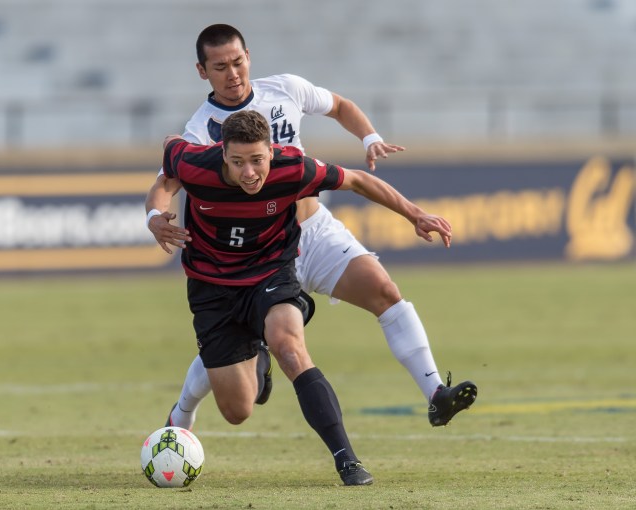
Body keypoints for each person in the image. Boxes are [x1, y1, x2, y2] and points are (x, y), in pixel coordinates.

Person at [146, 24, 477, 432]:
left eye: (237, 62)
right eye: (220, 67)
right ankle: (184, 411)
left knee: (385, 292)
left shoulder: (285, 89)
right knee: (228, 351)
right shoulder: (202, 129)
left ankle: (435, 394)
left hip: (313, 232)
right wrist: (156, 218)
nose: (232, 74)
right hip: (255, 254)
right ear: (203, 71)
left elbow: (339, 106)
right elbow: (167, 181)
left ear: (248, 56)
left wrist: (370, 137)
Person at [155, 110, 453, 485]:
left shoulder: (294, 169)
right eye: (238, 162)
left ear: (272, 153)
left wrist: (415, 214)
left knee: (290, 347)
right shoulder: (194, 162)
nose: (249, 173)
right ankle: (255, 359)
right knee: (237, 410)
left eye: (257, 161)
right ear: (222, 154)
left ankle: (346, 459)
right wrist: (154, 214)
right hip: (213, 290)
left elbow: (358, 181)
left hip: (270, 273)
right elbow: (168, 156)